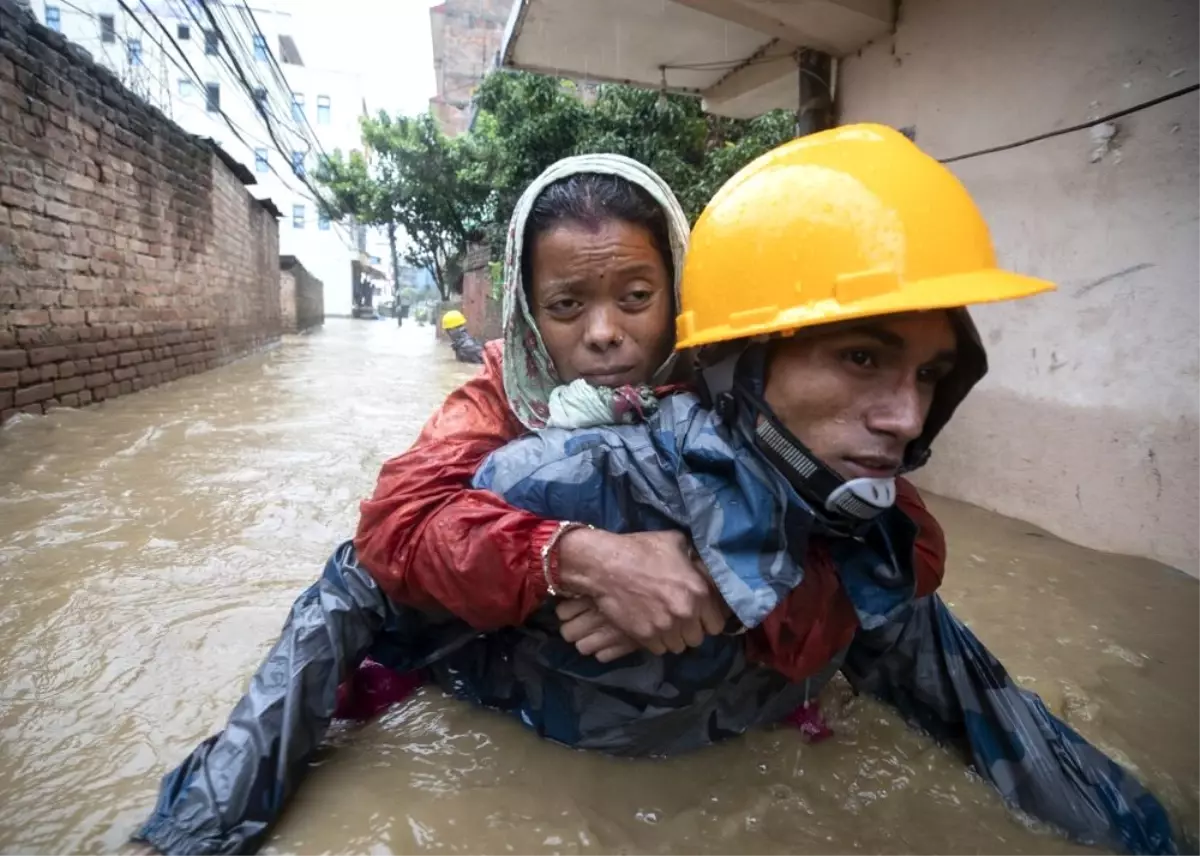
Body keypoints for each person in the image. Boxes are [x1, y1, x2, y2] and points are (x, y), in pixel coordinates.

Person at [132, 143, 1180, 856]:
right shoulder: (506, 419)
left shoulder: (765, 427)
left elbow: (913, 560)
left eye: (636, 298)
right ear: (531, 315)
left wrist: (736, 581)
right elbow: (392, 534)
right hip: (523, 658)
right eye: (566, 305)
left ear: (688, 300)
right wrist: (578, 559)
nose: (601, 333)